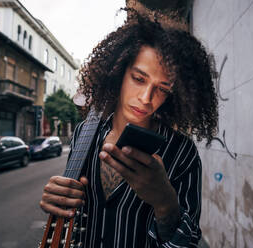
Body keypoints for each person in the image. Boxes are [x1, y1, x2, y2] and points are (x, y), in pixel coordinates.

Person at [40, 10, 218, 248]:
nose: (146, 98)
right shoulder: (84, 132)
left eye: (162, 89)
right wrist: (58, 198)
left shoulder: (182, 153)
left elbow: (188, 242)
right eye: (139, 78)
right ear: (118, 72)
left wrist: (165, 204)